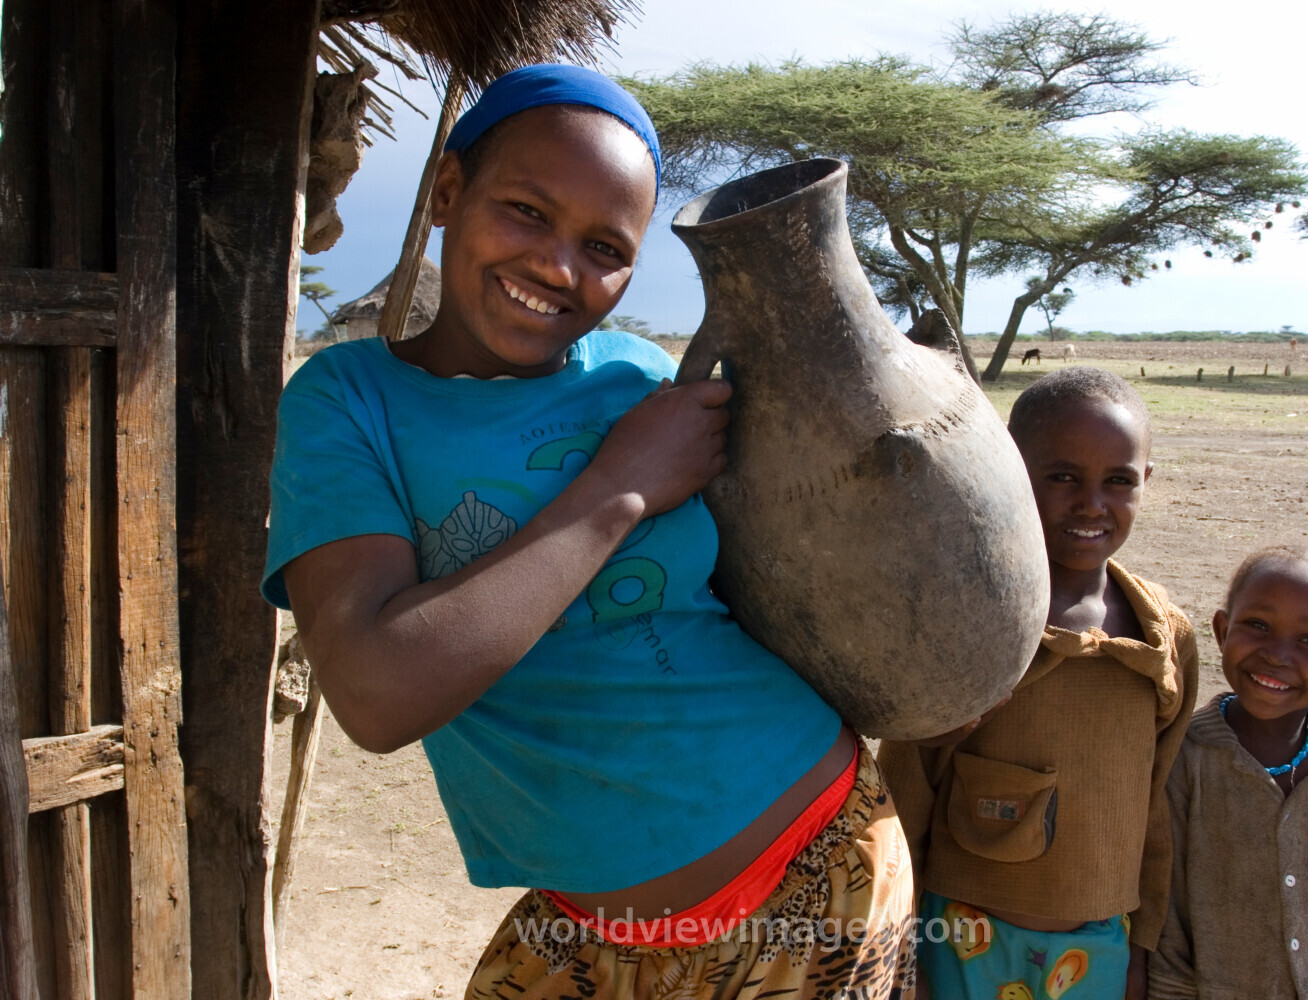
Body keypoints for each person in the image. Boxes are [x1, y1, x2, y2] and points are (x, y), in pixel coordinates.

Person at [262, 64, 914, 1000]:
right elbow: (376, 693)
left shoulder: (639, 374)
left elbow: (778, 566)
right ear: (447, 190)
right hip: (586, 929)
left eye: (605, 248)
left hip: (814, 874)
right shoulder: (347, 400)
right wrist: (620, 488)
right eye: (527, 211)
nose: (559, 267)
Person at [879, 367, 1198, 1000]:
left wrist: (1140, 947)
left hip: (1098, 948)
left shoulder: (1164, 637)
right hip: (959, 939)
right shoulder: (971, 618)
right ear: (1012, 469)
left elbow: (1155, 805)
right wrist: (897, 942)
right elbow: (907, 788)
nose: (1091, 504)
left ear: (1146, 481)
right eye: (1062, 477)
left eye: (1118, 481)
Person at [1148, 546, 1308, 1000]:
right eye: (1258, 626)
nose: (1277, 655)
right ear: (1222, 631)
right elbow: (1170, 917)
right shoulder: (1189, 753)